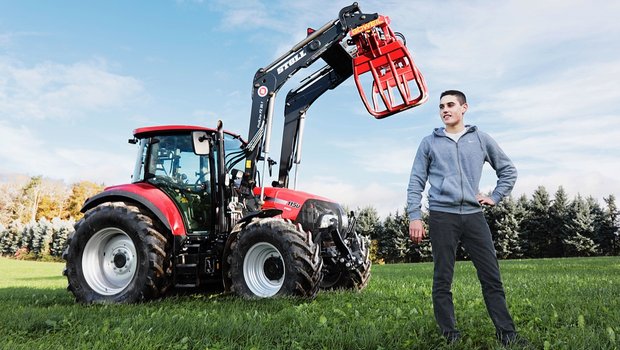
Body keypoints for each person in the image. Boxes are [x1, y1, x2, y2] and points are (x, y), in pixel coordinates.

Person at [407, 90, 527, 346]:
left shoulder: (481, 139)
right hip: (442, 216)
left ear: (464, 108)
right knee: (442, 278)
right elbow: (416, 181)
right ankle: (450, 335)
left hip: (473, 216)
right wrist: (414, 216)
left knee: (491, 277)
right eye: (441, 106)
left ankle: (508, 334)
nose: (445, 110)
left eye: (450, 105)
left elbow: (508, 170)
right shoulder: (429, 143)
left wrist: (495, 196)